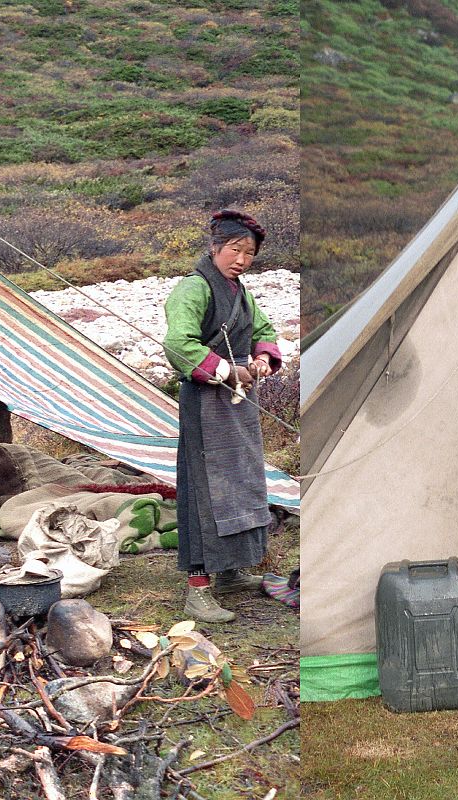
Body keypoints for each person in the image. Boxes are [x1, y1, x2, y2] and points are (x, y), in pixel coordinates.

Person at [163, 209, 282, 623]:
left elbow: (264, 328)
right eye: (235, 250)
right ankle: (198, 590)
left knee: (241, 480)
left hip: (240, 400)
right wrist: (228, 369)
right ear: (214, 247)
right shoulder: (192, 289)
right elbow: (178, 342)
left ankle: (231, 573)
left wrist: (264, 358)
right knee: (206, 488)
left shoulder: (242, 293)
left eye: (249, 253)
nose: (242, 260)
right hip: (205, 401)